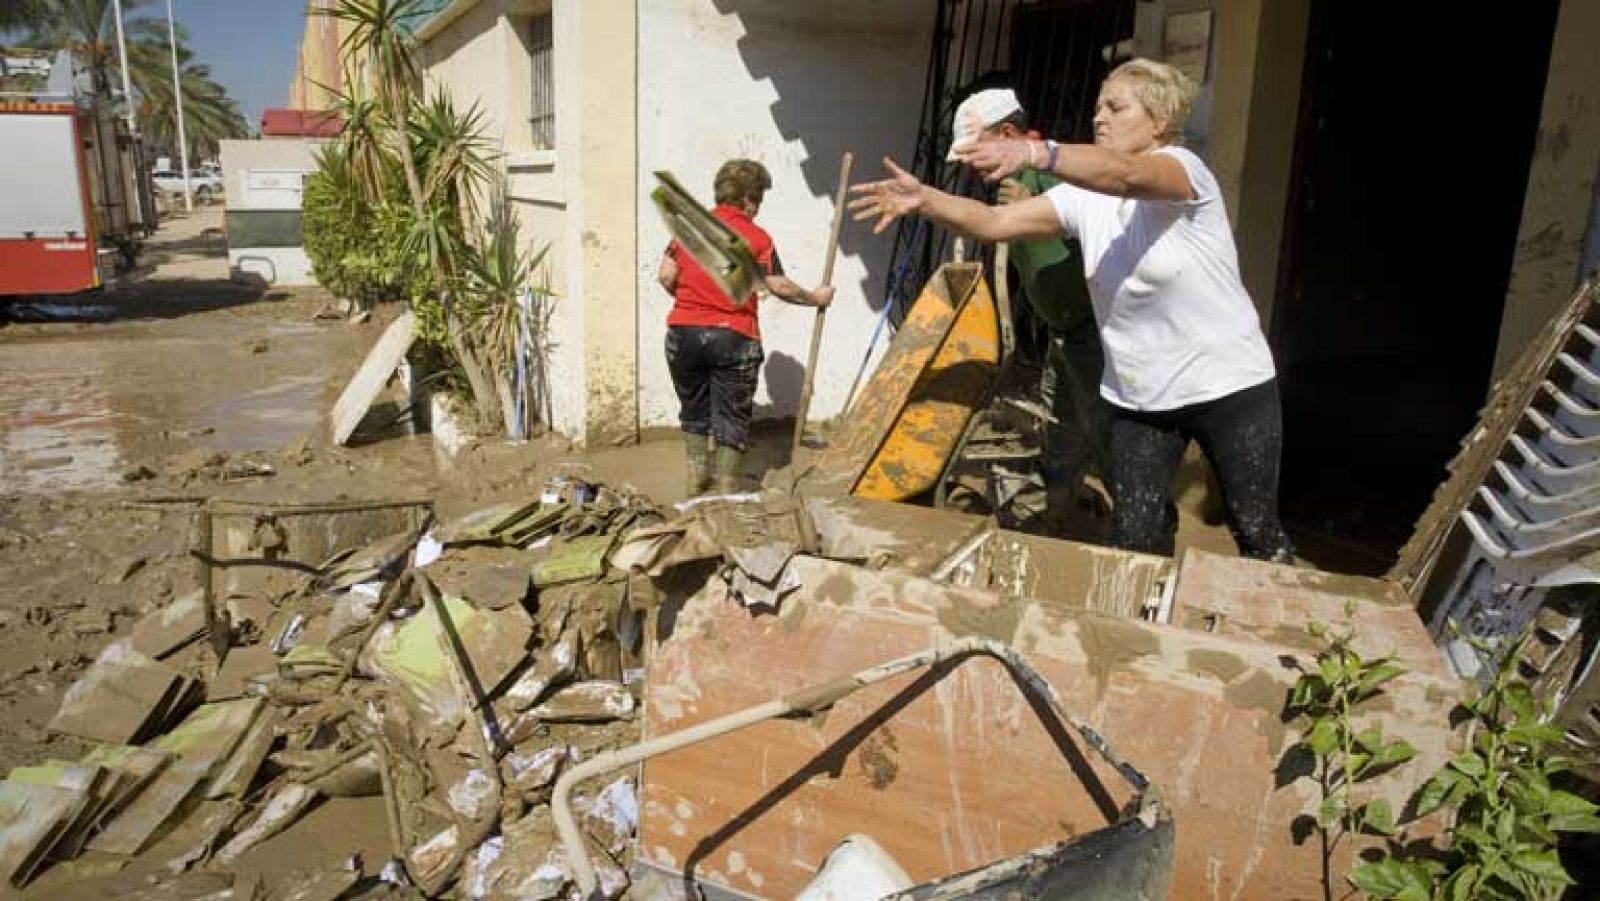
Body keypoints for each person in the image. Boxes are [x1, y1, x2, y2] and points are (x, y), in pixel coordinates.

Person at [851, 58, 1292, 561]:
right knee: (1136, 539)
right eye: (1098, 107)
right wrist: (927, 200)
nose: (1099, 117)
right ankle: (1148, 632)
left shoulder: (1184, 171)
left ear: (1160, 121)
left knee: (1256, 532)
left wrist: (1037, 152)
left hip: (1228, 383)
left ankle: (1288, 631)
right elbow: (995, 222)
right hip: (1140, 395)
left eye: (1116, 107)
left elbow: (1127, 174)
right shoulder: (1085, 199)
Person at [947, 86, 1111, 532]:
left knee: (1109, 441)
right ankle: (1043, 519)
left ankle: (1143, 535)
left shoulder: (1059, 176)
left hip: (1097, 334)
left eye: (974, 152)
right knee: (1061, 435)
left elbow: (1109, 228)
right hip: (1065, 335)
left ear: (1006, 133)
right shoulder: (1009, 184)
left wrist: (1039, 212)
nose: (968, 165)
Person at [657, 159, 834, 495]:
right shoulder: (757, 238)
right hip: (734, 336)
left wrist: (691, 302)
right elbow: (778, 285)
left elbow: (666, 274)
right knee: (731, 416)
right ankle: (726, 488)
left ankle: (695, 480)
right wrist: (815, 297)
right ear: (749, 200)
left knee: (693, 408)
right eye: (758, 202)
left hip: (683, 334)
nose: (757, 210)